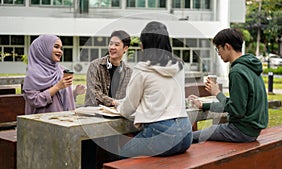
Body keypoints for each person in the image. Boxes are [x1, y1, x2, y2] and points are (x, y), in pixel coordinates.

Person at [118, 21, 192, 158]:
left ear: (145, 45)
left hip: (162, 134)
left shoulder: (142, 69)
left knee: (120, 156)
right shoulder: (179, 66)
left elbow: (128, 108)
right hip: (186, 133)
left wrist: (118, 107)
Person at [189, 28, 268, 143]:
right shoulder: (250, 66)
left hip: (241, 131)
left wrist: (217, 93)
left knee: (191, 137)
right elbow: (239, 103)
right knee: (208, 131)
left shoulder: (237, 71)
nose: (219, 53)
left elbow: (237, 110)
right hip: (253, 130)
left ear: (227, 46)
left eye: (218, 49)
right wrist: (204, 105)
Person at [23, 34, 85, 115]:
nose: (60, 51)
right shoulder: (33, 74)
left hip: (65, 120)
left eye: (61, 48)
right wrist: (57, 87)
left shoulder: (62, 70)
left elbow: (60, 97)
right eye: (56, 47)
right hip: (44, 122)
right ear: (43, 49)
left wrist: (74, 92)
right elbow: (34, 100)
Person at [84, 30, 132, 107]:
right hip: (94, 113)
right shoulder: (95, 66)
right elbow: (94, 92)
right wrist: (113, 102)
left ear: (125, 48)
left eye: (116, 45)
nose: (112, 47)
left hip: (117, 114)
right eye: (110, 44)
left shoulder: (129, 72)